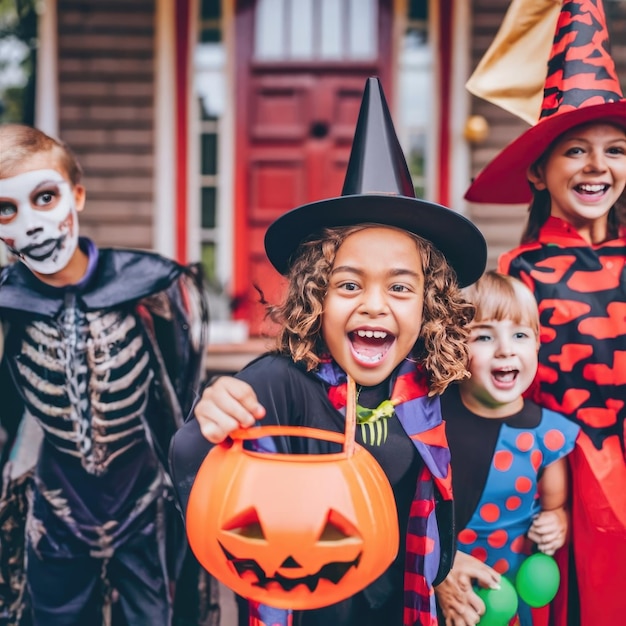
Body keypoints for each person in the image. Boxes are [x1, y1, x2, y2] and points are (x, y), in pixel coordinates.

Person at [169, 77, 487, 626]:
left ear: (428, 305)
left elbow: (436, 504)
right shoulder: (279, 382)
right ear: (318, 297)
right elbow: (195, 468)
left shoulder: (423, 389)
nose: (374, 305)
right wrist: (210, 415)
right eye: (348, 285)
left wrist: (449, 565)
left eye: (400, 287)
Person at [0, 124, 216, 626]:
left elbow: (178, 391)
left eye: (44, 197)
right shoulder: (8, 305)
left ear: (76, 195)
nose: (30, 225)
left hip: (141, 495)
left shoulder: (148, 286)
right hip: (56, 500)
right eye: (6, 209)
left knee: (153, 615)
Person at [464, 1, 626, 624]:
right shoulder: (519, 273)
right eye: (575, 151)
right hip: (559, 473)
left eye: (614, 150)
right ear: (538, 170)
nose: (597, 167)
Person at [435, 271, 580, 626]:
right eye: (484, 336)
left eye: (519, 335)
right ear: (457, 346)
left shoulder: (548, 434)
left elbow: (555, 505)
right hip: (441, 590)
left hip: (511, 591)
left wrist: (557, 520)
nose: (505, 349)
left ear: (537, 347)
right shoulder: (433, 416)